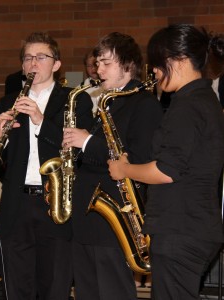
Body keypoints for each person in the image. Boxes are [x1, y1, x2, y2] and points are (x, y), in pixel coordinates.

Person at [108, 24, 224, 300]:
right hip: (191, 228)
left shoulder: (188, 106)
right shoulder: (204, 100)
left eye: (158, 63)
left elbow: (165, 170)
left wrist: (124, 169)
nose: (154, 71)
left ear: (180, 61)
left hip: (181, 230)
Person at [0, 32, 93, 300]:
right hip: (17, 203)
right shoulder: (8, 101)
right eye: (27, 58)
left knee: (55, 285)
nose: (32, 63)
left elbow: (76, 150)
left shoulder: (75, 99)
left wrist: (39, 119)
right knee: (16, 283)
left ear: (56, 64)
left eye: (40, 57)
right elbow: (0, 159)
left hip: (55, 203)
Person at [62, 32, 163, 300]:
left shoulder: (145, 104)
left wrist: (87, 142)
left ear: (128, 65)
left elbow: (137, 158)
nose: (98, 69)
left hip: (115, 218)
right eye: (97, 63)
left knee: (112, 292)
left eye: (106, 63)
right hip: (87, 219)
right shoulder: (108, 102)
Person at [81, 50, 103, 117]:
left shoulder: (112, 86)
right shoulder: (79, 89)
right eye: (89, 66)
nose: (93, 68)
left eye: (95, 65)